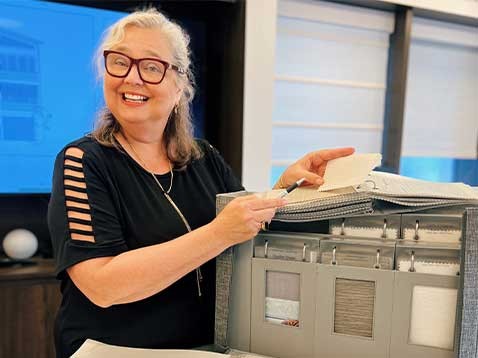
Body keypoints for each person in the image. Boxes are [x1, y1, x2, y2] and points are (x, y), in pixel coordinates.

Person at [47, 8, 354, 358]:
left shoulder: (203, 156)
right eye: (119, 62)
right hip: (113, 350)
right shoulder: (83, 161)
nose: (132, 78)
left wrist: (286, 186)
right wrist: (218, 233)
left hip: (205, 347)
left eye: (151, 67)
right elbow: (103, 286)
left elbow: (244, 231)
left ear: (179, 85)